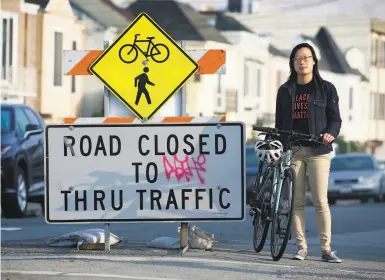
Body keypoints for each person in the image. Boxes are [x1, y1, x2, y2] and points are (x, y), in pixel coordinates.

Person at [274, 42, 342, 263]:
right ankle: (301, 247)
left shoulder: (326, 88)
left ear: (314, 61)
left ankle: (326, 249)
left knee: (321, 201)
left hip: (318, 150)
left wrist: (331, 134)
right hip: (293, 149)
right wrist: (279, 149)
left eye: (306, 57)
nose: (302, 62)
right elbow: (279, 123)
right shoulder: (285, 91)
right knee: (296, 201)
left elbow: (335, 119)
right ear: (292, 63)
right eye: (297, 58)